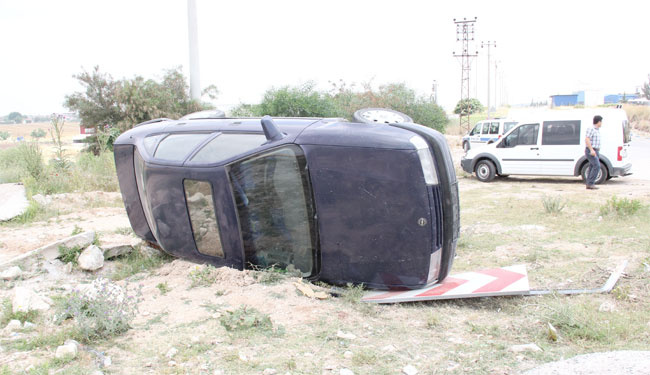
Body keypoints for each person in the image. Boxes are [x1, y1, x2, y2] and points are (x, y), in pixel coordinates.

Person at [584, 115, 603, 190]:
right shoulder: (591, 129)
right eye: (601, 122)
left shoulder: (597, 130)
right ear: (598, 122)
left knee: (592, 166)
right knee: (597, 166)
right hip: (592, 150)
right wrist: (591, 150)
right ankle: (590, 183)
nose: (601, 123)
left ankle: (589, 183)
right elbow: (587, 139)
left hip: (596, 150)